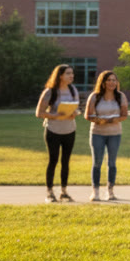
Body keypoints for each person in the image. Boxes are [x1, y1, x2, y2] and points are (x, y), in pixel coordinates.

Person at [36, 64, 80, 203]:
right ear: (60, 75)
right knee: (53, 160)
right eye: (68, 73)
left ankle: (64, 192)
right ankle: (50, 193)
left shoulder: (73, 90)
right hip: (53, 130)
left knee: (66, 161)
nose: (71, 76)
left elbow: (77, 109)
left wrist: (75, 113)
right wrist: (56, 115)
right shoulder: (50, 92)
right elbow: (39, 113)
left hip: (70, 130)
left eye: (72, 73)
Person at [84, 70, 129, 201]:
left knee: (112, 163)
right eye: (109, 80)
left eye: (114, 80)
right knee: (97, 162)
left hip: (114, 133)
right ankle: (95, 192)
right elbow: (88, 115)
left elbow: (124, 115)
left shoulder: (121, 96)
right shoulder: (94, 96)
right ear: (103, 82)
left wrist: (117, 119)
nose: (111, 82)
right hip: (97, 133)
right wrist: (98, 120)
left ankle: (110, 192)